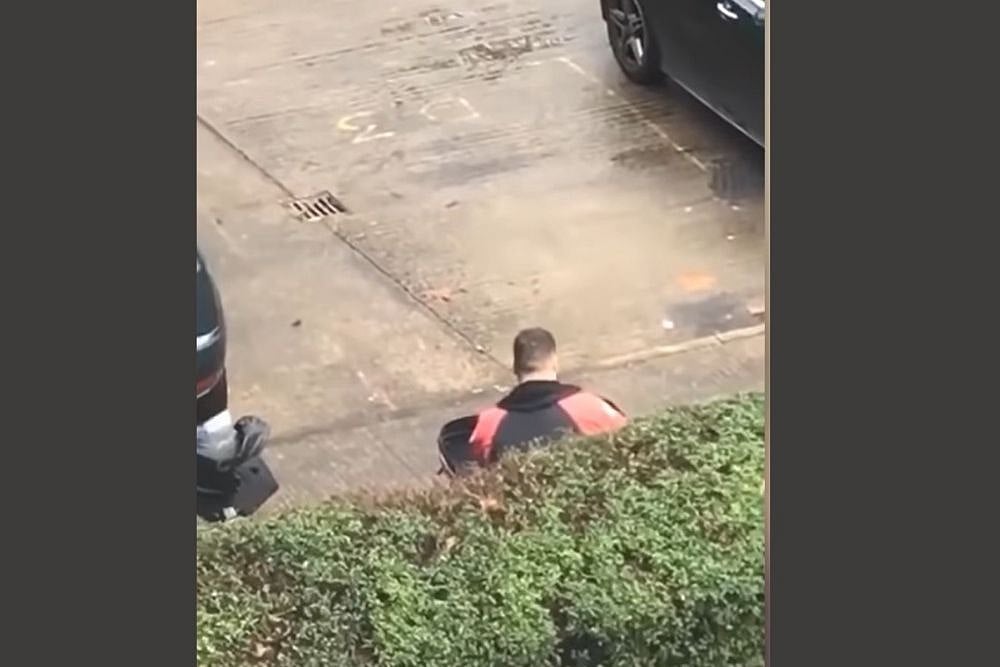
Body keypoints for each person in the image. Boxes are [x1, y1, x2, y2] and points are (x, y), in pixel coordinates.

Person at [467, 327, 628, 465]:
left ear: (516, 368)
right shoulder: (590, 408)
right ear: (555, 362)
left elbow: (479, 464)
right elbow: (627, 438)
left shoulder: (488, 424)